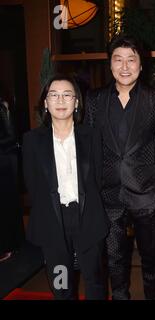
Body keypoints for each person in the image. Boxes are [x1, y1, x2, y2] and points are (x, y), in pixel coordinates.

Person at [85, 35, 155, 300]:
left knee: (152, 258)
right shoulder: (95, 100)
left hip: (147, 194)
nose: (124, 66)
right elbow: (89, 145)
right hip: (107, 195)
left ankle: (153, 297)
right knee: (114, 259)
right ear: (110, 65)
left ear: (141, 65)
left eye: (131, 60)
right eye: (118, 60)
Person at [22, 75, 109, 299]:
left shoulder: (91, 136)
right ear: (45, 102)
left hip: (87, 216)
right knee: (61, 283)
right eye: (54, 95)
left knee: (95, 280)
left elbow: (97, 179)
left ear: (76, 102)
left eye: (67, 95)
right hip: (52, 220)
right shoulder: (32, 140)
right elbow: (32, 184)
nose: (60, 100)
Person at [0, 94, 24, 262]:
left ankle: (9, 246)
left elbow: (12, 136)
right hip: (7, 158)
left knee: (7, 203)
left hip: (6, 161)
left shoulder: (3, 106)